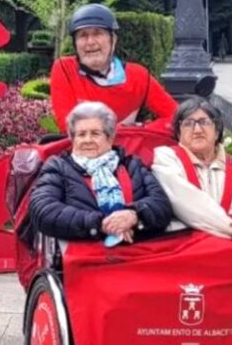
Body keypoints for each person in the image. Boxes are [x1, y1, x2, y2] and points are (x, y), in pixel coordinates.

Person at [29, 101, 172, 245]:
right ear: (72, 139)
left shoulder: (132, 164)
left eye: (95, 134)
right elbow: (43, 210)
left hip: (137, 247)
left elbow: (161, 204)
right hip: (83, 252)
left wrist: (134, 215)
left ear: (110, 138)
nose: (88, 140)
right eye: (81, 134)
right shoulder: (58, 167)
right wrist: (100, 224)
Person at [152, 97, 232, 245]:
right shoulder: (167, 158)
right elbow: (187, 202)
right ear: (179, 133)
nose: (197, 130)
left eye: (204, 122)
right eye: (188, 123)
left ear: (217, 130)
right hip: (188, 247)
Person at [49, 3, 178, 134]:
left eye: (98, 33)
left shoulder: (138, 75)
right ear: (75, 43)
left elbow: (177, 118)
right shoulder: (64, 68)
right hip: (82, 150)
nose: (90, 42)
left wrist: (138, 128)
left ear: (113, 40)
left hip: (128, 150)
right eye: (83, 35)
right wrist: (118, 129)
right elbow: (68, 125)